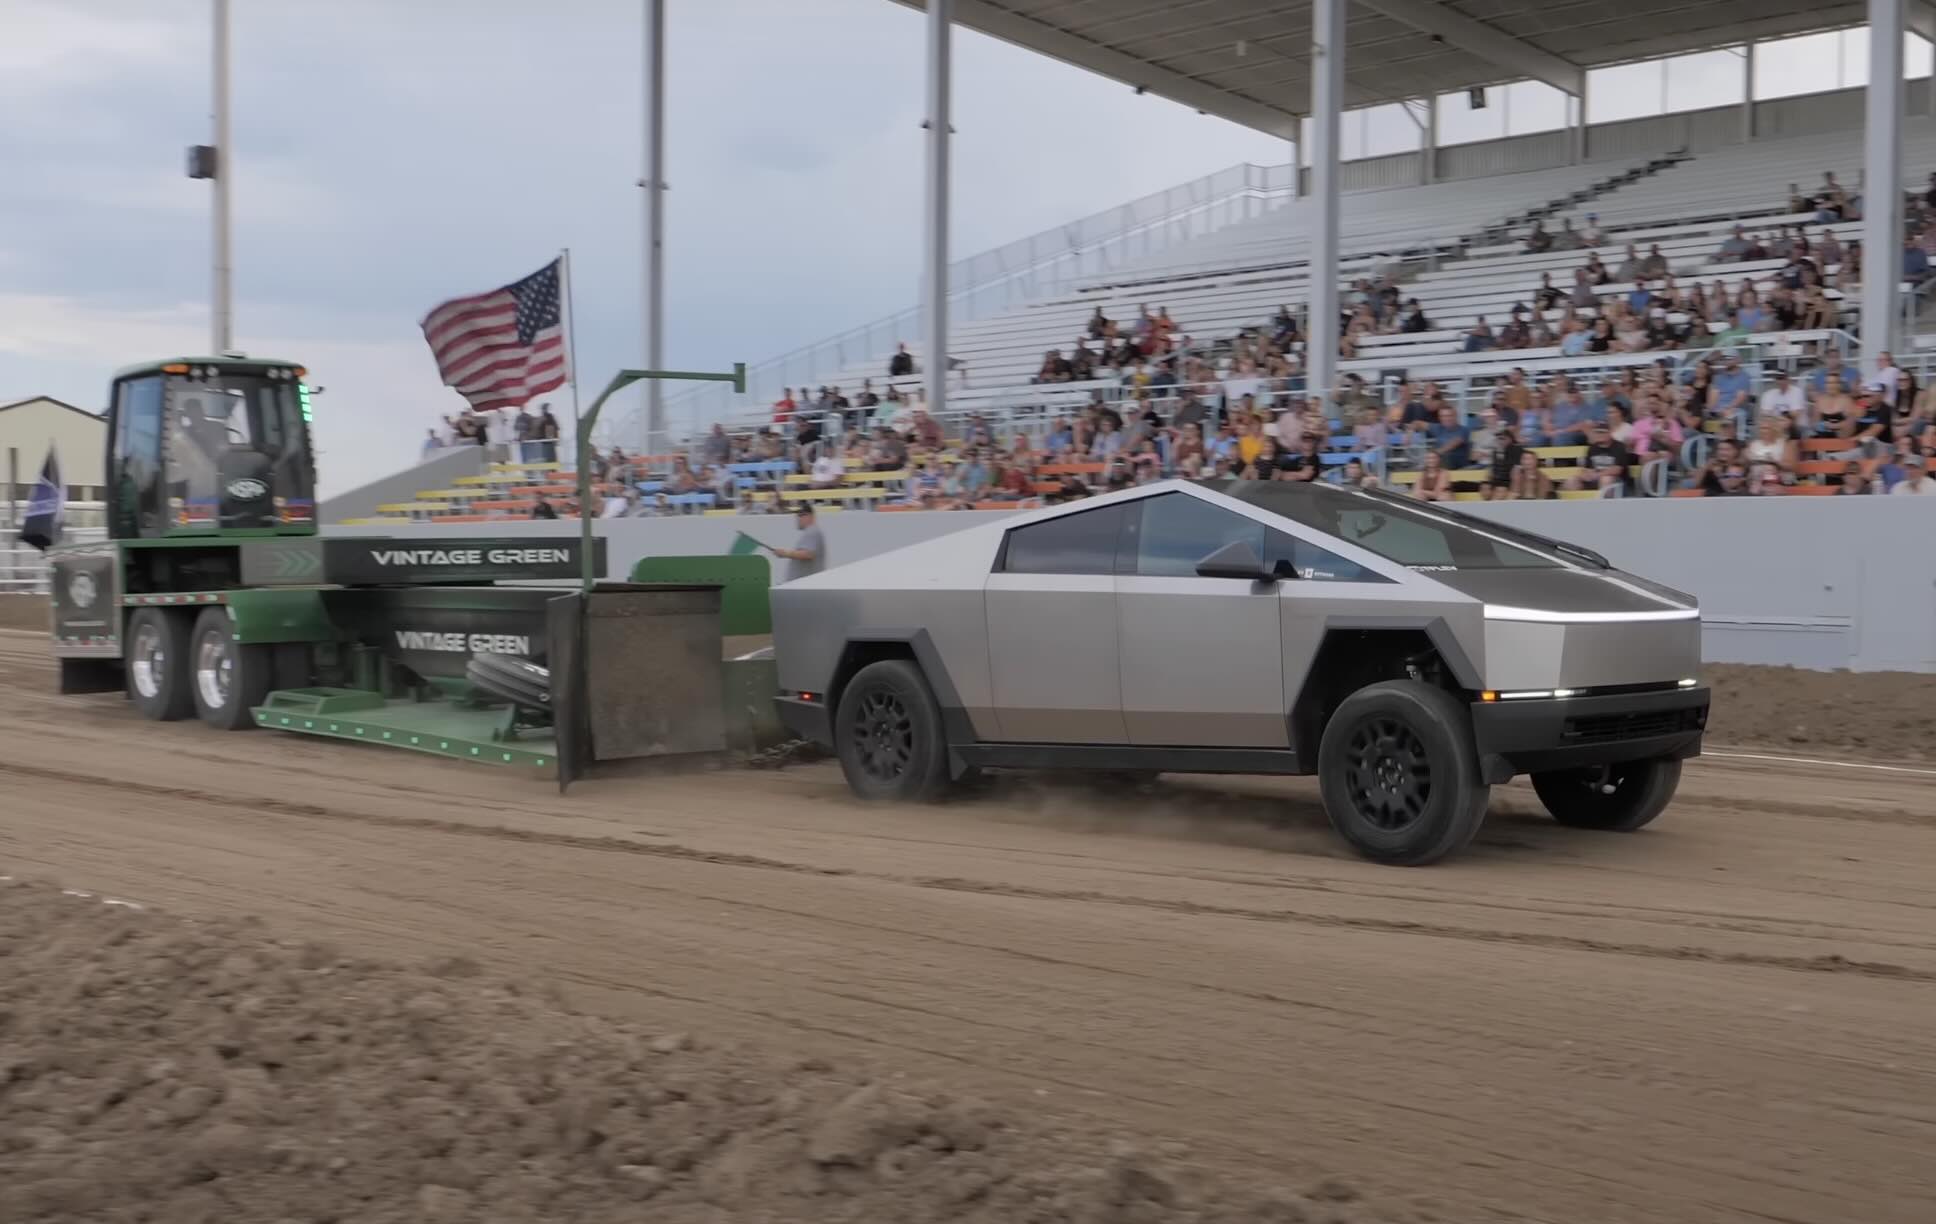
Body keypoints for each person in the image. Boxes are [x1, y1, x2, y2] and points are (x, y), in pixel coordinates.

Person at [764, 506, 826, 582]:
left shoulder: (812, 532)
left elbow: (808, 554)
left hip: (805, 586)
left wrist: (785, 553)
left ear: (811, 516)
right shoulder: (812, 532)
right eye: (797, 516)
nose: (798, 519)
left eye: (801, 515)